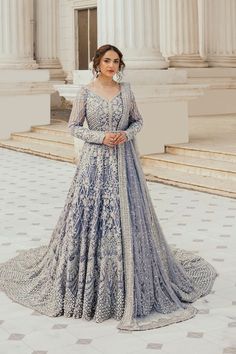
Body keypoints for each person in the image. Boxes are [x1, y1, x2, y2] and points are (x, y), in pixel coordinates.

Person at [0, 44, 217, 331]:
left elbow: (138, 121)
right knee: (94, 217)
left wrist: (125, 135)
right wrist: (101, 137)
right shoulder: (85, 92)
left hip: (125, 162)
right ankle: (93, 273)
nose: (112, 65)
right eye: (107, 60)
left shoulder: (126, 91)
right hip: (94, 164)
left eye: (116, 61)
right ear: (97, 63)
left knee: (128, 216)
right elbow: (74, 127)